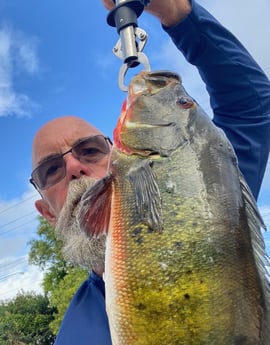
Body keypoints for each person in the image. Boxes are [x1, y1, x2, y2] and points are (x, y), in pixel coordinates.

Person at [30, 0, 270, 344]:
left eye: (90, 150)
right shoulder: (72, 335)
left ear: (116, 159)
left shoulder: (207, 197)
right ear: (47, 214)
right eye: (51, 170)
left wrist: (176, 11)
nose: (74, 166)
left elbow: (251, 103)